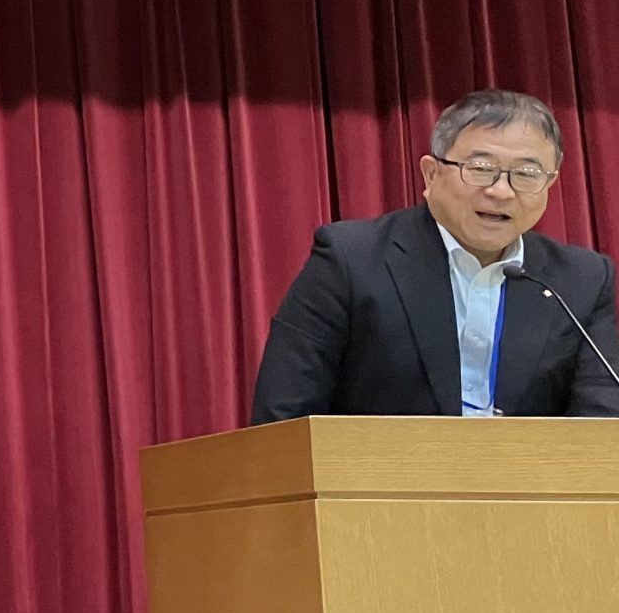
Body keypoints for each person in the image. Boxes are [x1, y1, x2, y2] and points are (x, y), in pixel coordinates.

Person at [251, 88, 619, 422]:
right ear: (430, 174)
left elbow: (603, 423)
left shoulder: (581, 280)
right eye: (481, 169)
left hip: (532, 475)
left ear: (550, 184)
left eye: (526, 174)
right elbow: (283, 416)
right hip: (378, 474)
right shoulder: (351, 260)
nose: (502, 191)